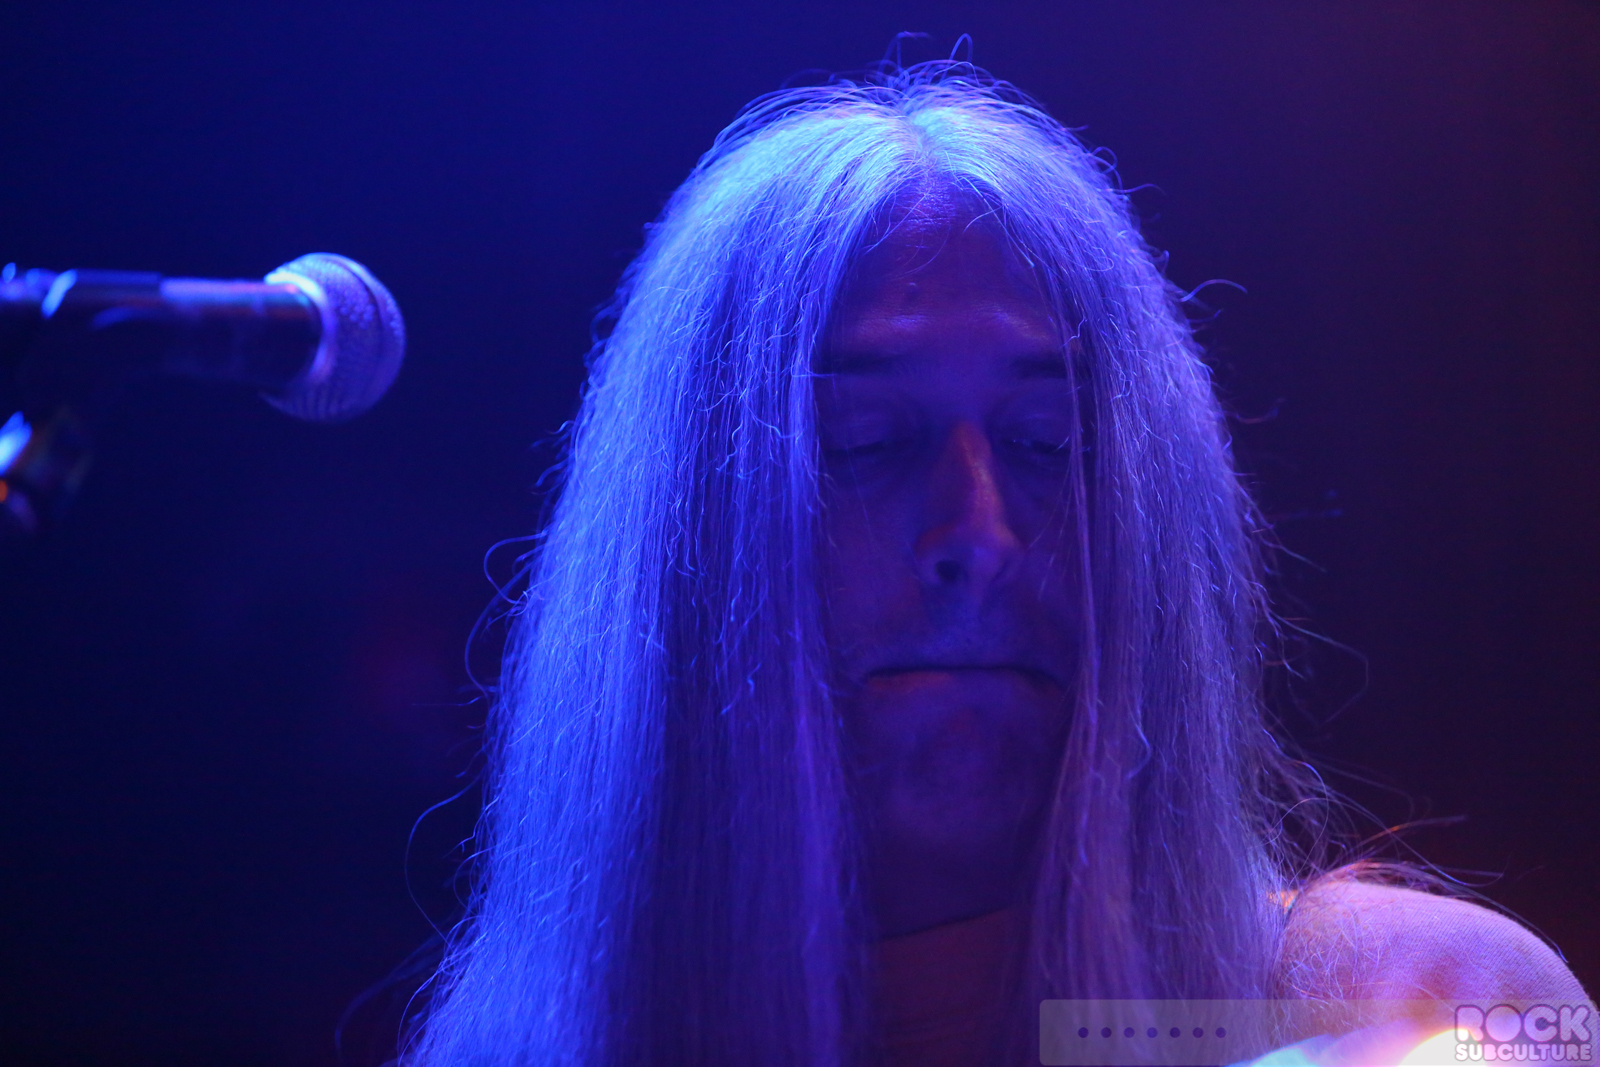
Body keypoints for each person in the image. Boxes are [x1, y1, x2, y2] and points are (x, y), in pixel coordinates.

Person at [402, 65, 1588, 1067]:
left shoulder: (1431, 1005)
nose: (977, 533)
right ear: (692, 552)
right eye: (866, 443)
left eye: (1044, 444)